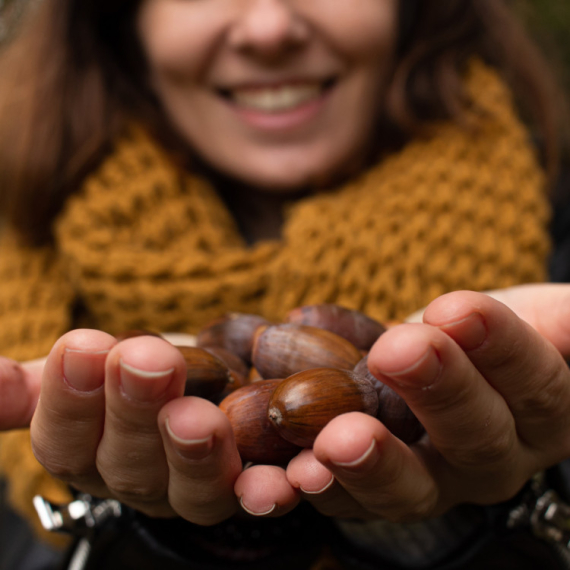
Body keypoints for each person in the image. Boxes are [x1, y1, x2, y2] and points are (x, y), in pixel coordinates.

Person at [0, 0, 568, 568]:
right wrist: (158, 535)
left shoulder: (554, 233)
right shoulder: (22, 267)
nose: (270, 29)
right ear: (121, 19)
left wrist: (467, 523)